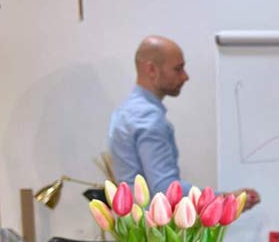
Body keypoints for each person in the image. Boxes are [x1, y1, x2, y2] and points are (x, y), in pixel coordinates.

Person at [109, 36, 260, 204]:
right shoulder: (149, 120)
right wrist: (224, 200)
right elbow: (165, 189)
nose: (185, 76)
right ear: (151, 70)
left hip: (131, 224)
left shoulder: (124, 112)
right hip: (150, 226)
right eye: (178, 69)